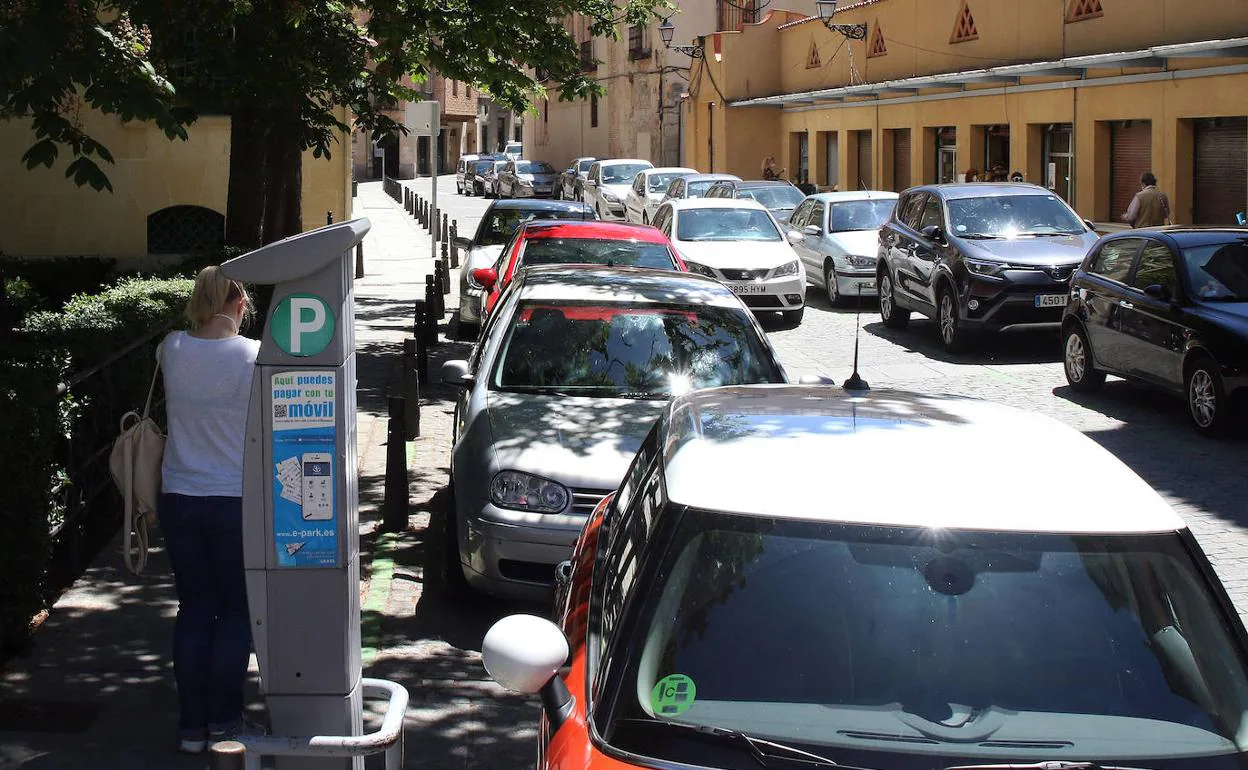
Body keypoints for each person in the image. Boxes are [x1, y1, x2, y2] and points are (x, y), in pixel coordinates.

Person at [157, 266, 260, 754]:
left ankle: (191, 728)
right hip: (233, 499)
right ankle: (225, 721)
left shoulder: (171, 348)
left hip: (179, 496)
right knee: (236, 613)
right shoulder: (253, 356)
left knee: (195, 610)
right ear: (239, 304)